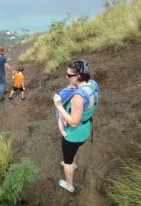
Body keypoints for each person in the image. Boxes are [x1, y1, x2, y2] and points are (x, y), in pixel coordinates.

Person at [53, 60, 100, 193]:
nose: (66, 77)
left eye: (69, 75)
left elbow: (73, 122)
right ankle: (73, 164)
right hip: (86, 129)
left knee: (67, 160)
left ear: (78, 76)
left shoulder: (78, 97)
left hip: (74, 135)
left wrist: (58, 106)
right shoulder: (92, 85)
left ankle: (69, 185)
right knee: (74, 151)